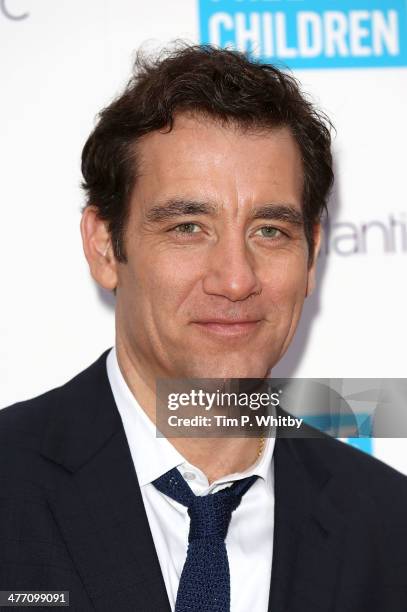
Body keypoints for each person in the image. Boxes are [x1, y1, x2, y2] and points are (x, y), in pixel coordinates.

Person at [0, 43, 406, 612]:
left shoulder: (389, 528)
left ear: (312, 256)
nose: (236, 280)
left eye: (270, 231)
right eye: (188, 227)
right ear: (102, 245)